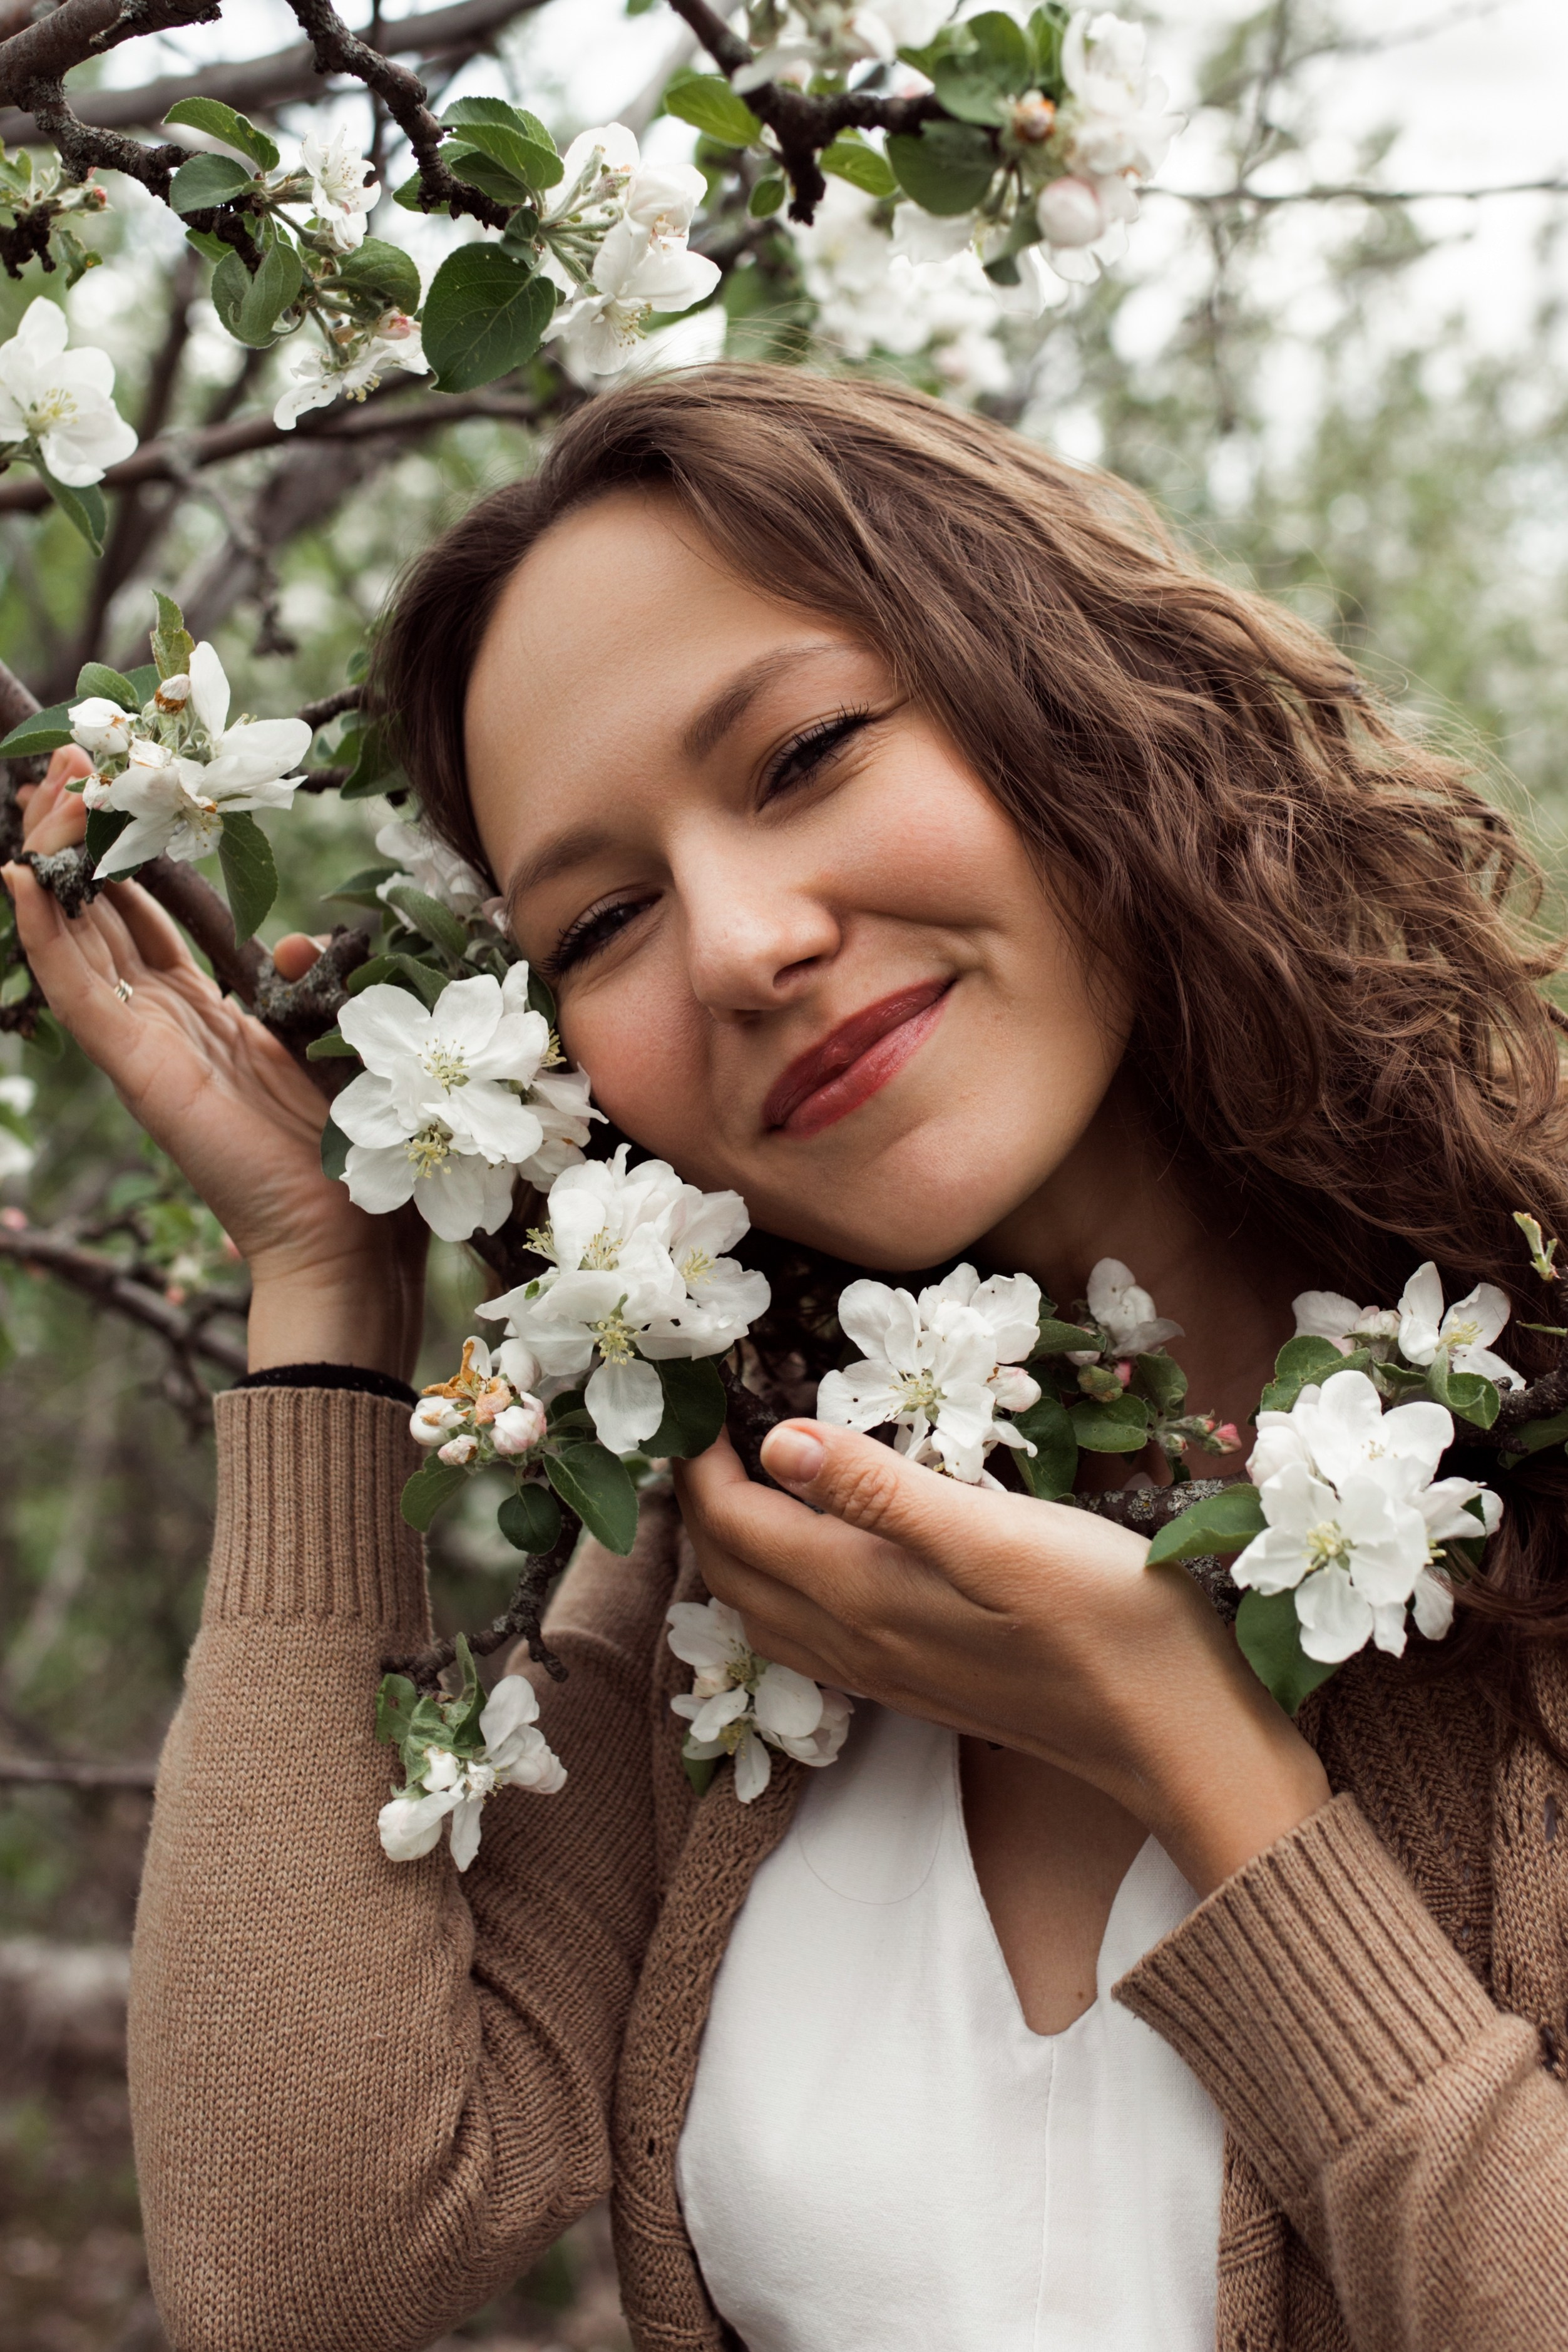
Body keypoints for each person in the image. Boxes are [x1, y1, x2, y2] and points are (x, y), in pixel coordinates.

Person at [8, 364, 1568, 2352]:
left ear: (1066, 698)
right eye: (600, 921)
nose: (741, 943)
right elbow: (302, 2261)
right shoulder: (751, 1563)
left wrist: (1197, 1756)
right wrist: (320, 1286)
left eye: (806, 751)